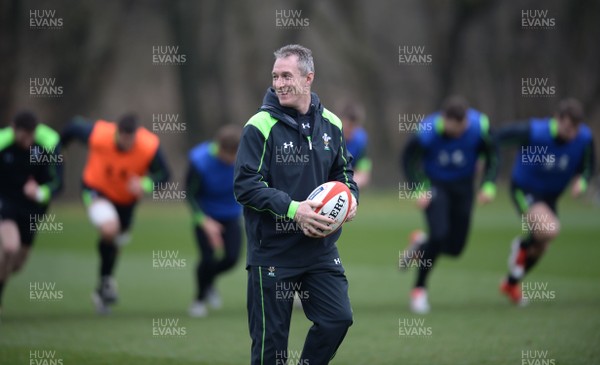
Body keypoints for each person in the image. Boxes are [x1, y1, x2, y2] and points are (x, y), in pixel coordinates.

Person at [234, 44, 358, 365]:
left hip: (320, 251)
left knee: (337, 320)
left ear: (308, 78)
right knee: (270, 351)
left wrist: (351, 197)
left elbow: (343, 172)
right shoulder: (259, 126)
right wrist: (294, 209)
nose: (279, 83)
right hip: (273, 254)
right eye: (275, 76)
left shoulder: (331, 123)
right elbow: (245, 185)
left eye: (287, 75)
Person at [61, 114, 169, 314]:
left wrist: (145, 184)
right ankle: (106, 282)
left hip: (126, 201)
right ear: (117, 132)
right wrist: (61, 148)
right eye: (123, 137)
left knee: (117, 241)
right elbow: (74, 126)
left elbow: (164, 175)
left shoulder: (149, 146)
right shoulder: (99, 135)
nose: (127, 142)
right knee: (109, 229)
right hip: (96, 190)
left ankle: (104, 284)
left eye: (131, 138)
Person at [401, 96, 498, 314]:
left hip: (464, 188)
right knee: (439, 234)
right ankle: (419, 290)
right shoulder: (427, 130)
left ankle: (420, 245)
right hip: (436, 186)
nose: (457, 131)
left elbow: (493, 154)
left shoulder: (479, 126)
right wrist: (418, 188)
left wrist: (488, 185)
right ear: (444, 120)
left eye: (461, 127)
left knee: (455, 248)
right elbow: (408, 159)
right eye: (452, 126)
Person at [495, 98, 595, 305]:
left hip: (551, 197)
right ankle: (521, 245)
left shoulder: (584, 138)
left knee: (542, 246)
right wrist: (483, 159)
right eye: (567, 127)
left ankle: (511, 283)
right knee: (549, 229)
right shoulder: (535, 131)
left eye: (575, 129)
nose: (571, 133)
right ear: (557, 119)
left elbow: (588, 166)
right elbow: (497, 137)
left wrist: (582, 182)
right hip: (525, 190)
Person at [0, 111, 63, 314]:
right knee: (10, 247)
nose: (27, 140)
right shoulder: (3, 144)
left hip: (32, 209)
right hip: (6, 203)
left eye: (31, 135)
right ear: (13, 129)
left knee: (16, 264)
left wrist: (39, 192)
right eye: (23, 135)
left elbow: (58, 183)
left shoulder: (48, 146)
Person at [186, 125, 243, 318]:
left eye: (235, 155)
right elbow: (190, 195)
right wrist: (205, 222)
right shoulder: (199, 161)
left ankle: (208, 280)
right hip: (205, 215)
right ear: (218, 147)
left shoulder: (245, 158)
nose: (231, 160)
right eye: (228, 155)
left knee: (232, 258)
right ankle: (199, 300)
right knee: (208, 258)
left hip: (231, 214)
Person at [340, 101, 372, 188]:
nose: (351, 130)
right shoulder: (332, 135)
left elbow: (364, 168)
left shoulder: (361, 139)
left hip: (351, 175)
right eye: (348, 126)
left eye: (354, 127)